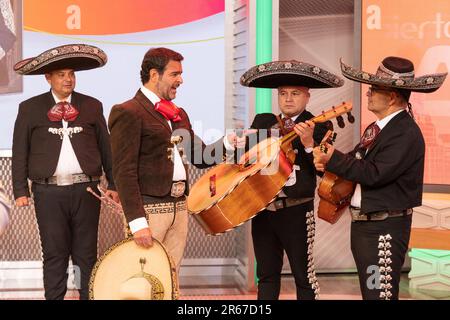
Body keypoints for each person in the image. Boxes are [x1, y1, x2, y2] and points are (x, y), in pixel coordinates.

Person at [313, 56, 447, 300]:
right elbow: (355, 164)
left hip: (384, 230)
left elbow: (374, 173)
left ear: (392, 97)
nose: (368, 94)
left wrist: (332, 158)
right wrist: (324, 163)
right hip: (368, 228)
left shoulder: (405, 132)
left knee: (379, 294)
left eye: (374, 90)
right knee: (372, 292)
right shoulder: (379, 128)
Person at [108, 47, 243, 285]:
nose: (180, 80)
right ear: (153, 74)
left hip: (179, 208)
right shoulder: (128, 111)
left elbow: (199, 156)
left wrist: (228, 144)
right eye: (174, 74)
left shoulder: (178, 114)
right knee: (143, 280)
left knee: (170, 279)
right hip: (149, 211)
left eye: (180, 74)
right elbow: (124, 171)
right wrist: (137, 223)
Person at [12, 44, 118, 300]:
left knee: (85, 254)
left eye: (71, 73)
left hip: (87, 190)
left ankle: (86, 296)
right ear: (48, 78)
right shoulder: (30, 108)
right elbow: (20, 151)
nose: (68, 79)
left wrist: (113, 184)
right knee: (54, 253)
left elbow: (107, 148)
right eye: (61, 74)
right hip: (48, 192)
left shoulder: (92, 106)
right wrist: (20, 190)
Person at [240, 60, 344, 300]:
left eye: (295, 93)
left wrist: (308, 144)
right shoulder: (263, 122)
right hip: (264, 210)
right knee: (265, 274)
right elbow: (248, 162)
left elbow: (324, 173)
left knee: (303, 275)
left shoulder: (319, 126)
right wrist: (242, 147)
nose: (288, 99)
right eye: (283, 93)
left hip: (297, 211)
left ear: (307, 96)